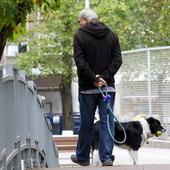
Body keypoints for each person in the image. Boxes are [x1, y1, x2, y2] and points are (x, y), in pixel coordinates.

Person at [71, 8, 122, 166]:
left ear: (85, 20)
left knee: (86, 123)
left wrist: (94, 78)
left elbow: (79, 61)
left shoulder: (80, 35)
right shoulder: (111, 34)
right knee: (107, 122)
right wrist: (104, 77)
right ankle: (106, 157)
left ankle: (83, 157)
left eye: (79, 21)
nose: (79, 25)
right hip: (107, 88)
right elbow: (117, 59)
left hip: (87, 88)